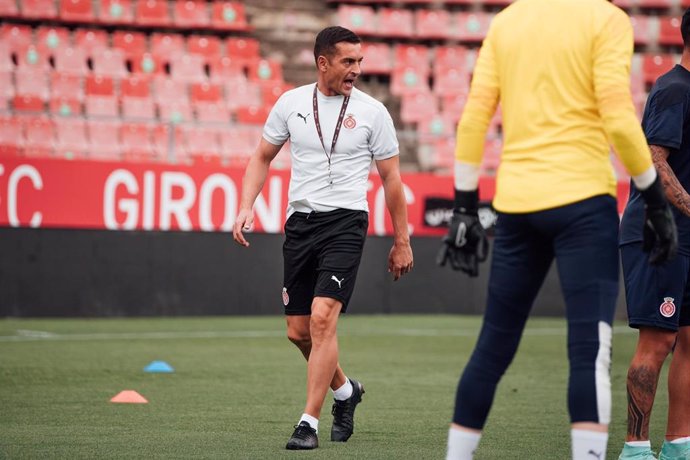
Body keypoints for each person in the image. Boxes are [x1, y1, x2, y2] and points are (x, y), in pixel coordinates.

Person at [437, 0, 678, 459]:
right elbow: (616, 116)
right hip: (583, 203)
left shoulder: (506, 21)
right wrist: (653, 197)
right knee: (589, 351)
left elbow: (472, 120)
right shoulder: (606, 19)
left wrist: (465, 208)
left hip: (517, 204)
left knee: (492, 347)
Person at [232, 26, 413, 450]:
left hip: (346, 224)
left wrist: (401, 240)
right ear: (323, 63)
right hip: (301, 224)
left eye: (360, 61)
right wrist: (245, 205)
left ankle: (307, 424)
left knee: (322, 318)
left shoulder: (374, 112)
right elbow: (261, 157)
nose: (356, 69)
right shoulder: (291, 104)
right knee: (298, 332)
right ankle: (346, 391)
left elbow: (392, 179)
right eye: (348, 62)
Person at [617, 9, 690, 460]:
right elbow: (654, 163)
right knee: (658, 341)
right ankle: (636, 448)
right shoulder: (674, 88)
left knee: (689, 341)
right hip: (659, 234)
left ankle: (680, 443)